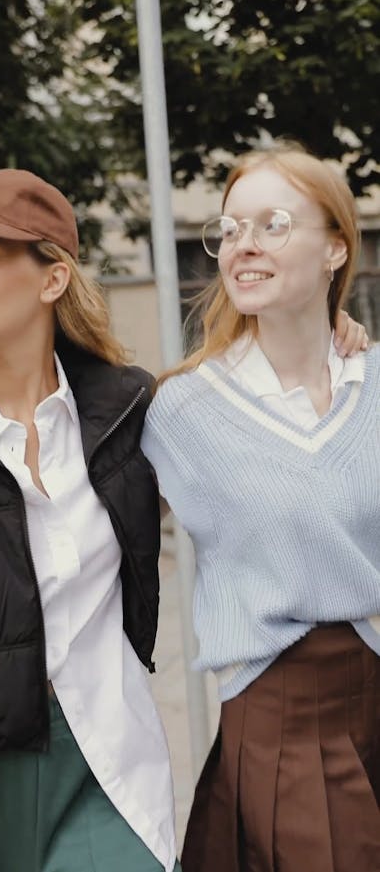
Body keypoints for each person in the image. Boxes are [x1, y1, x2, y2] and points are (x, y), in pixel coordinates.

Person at [0, 168, 181, 872]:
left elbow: (247, 427)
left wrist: (330, 335)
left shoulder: (129, 411)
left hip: (99, 752)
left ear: (52, 279)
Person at [140, 142, 380, 872]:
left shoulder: (372, 382)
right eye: (230, 228)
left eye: (272, 223)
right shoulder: (181, 411)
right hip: (281, 708)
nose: (243, 244)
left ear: (337, 246)